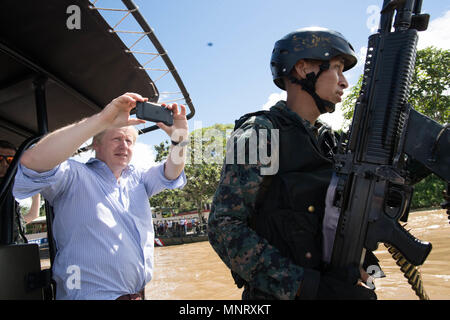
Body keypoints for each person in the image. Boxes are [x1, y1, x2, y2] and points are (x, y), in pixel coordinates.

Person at [208, 28, 378, 300]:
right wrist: (308, 287)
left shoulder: (331, 143)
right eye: (336, 68)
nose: (345, 82)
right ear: (302, 69)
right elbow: (223, 226)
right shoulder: (261, 134)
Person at [13, 93, 188, 300]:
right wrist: (101, 120)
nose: (124, 146)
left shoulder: (139, 178)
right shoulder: (73, 175)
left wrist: (180, 138)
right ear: (96, 144)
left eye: (129, 141)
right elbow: (32, 161)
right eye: (116, 139)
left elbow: (172, 172)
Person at [0, 140, 41, 243]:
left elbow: (32, 215)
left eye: (10, 160)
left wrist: (36, 191)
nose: (4, 164)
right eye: (0, 159)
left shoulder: (10, 200)